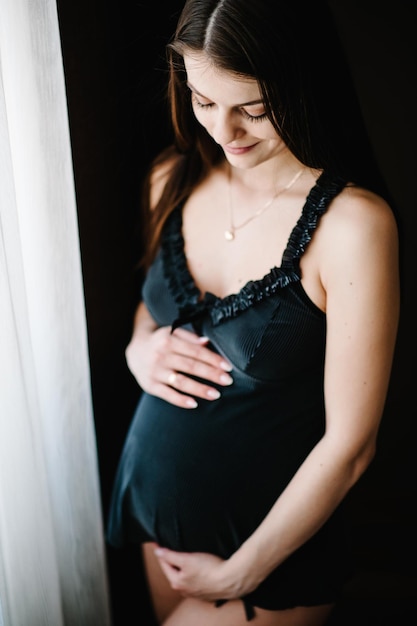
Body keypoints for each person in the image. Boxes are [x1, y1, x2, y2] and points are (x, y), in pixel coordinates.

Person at [106, 1, 400, 624]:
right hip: (157, 529)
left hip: (265, 557)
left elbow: (352, 445)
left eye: (254, 109)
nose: (224, 132)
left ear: (299, 86)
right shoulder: (173, 177)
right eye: (203, 101)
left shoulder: (353, 228)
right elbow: (152, 307)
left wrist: (240, 571)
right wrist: (140, 348)